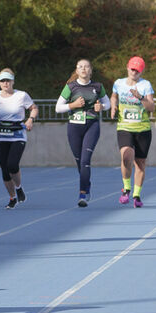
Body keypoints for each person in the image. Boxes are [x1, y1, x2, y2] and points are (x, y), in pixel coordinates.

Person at [54, 58, 109, 207]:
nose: (84, 69)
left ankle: (83, 193)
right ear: (77, 70)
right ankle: (87, 183)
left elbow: (108, 104)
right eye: (80, 67)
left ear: (91, 70)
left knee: (85, 160)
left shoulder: (97, 86)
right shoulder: (70, 87)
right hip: (74, 127)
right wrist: (73, 105)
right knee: (79, 161)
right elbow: (58, 108)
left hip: (92, 125)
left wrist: (101, 107)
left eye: (86, 67)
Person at [0, 68, 38, 209]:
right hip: (1, 136)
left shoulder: (21, 95)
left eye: (8, 80)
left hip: (17, 135)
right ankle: (13, 197)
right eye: (2, 81)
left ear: (13, 81)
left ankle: (19, 187)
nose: (5, 83)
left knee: (12, 164)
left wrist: (30, 120)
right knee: (4, 170)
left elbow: (34, 108)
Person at [109, 55, 156, 207]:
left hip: (142, 129)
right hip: (125, 127)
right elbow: (114, 96)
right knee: (126, 155)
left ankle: (136, 195)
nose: (134, 72)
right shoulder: (119, 83)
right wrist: (114, 105)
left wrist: (140, 97)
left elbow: (151, 108)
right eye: (132, 69)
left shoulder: (145, 85)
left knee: (140, 163)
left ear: (141, 71)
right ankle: (126, 189)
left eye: (137, 70)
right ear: (127, 68)